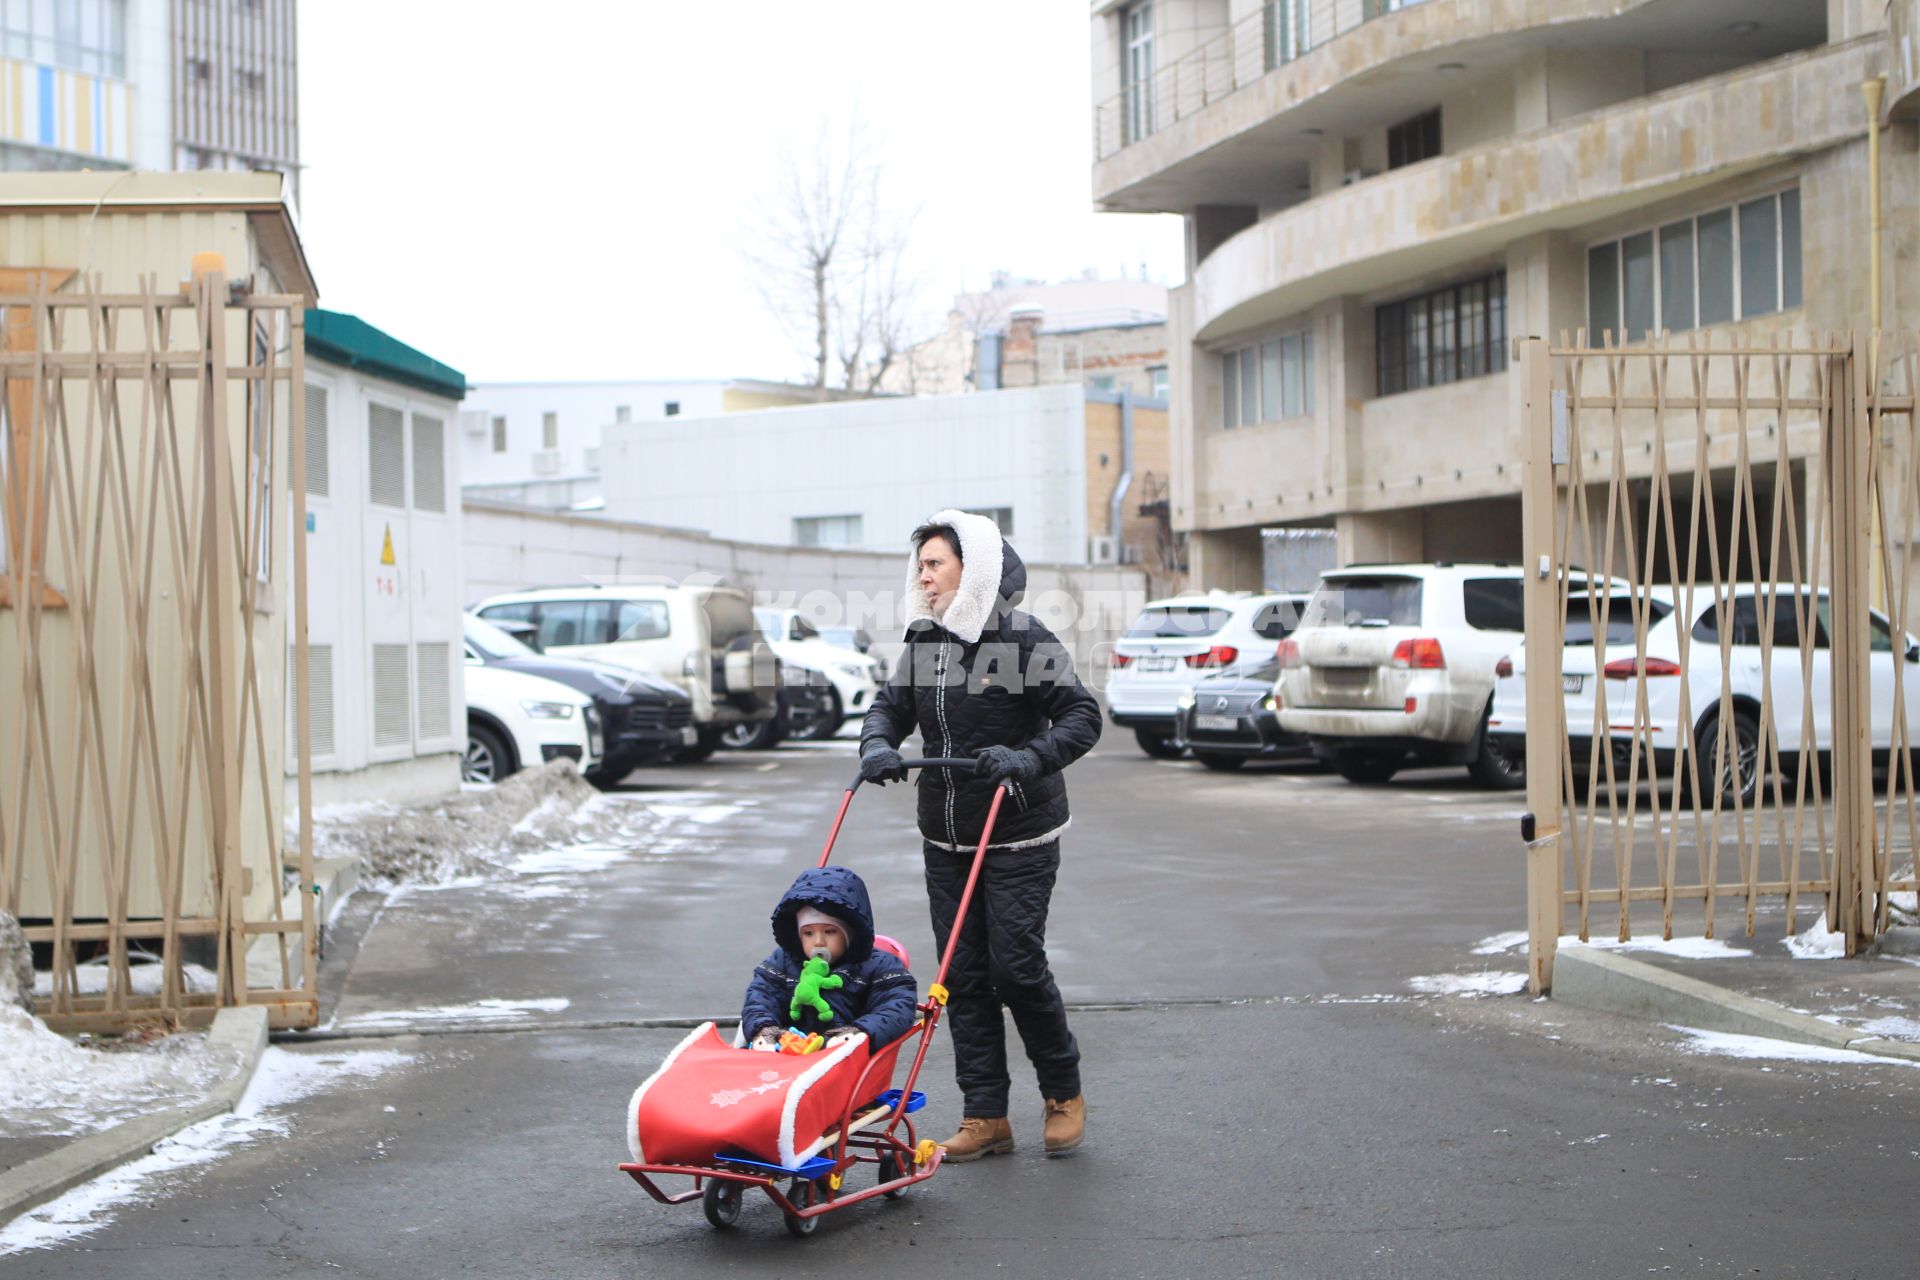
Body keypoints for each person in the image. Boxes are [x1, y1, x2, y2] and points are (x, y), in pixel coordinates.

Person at [859, 509, 1102, 1160]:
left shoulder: (1021, 639)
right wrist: (878, 743)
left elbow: (1081, 716)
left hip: (1017, 829)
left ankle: (1063, 1093)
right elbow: (889, 708)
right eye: (921, 566)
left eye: (935, 562)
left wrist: (1028, 758)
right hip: (947, 837)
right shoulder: (923, 643)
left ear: (974, 569)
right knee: (962, 976)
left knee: (1016, 968)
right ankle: (986, 1115)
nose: (924, 576)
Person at [741, 866, 918, 1052]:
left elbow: (895, 1007)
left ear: (849, 934)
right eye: (808, 933)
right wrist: (764, 1028)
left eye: (830, 932)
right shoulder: (784, 961)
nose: (818, 941)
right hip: (788, 1050)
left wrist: (859, 1032)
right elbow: (761, 996)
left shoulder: (877, 966)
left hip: (847, 1055)